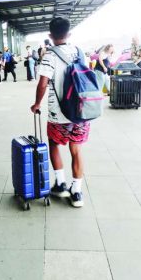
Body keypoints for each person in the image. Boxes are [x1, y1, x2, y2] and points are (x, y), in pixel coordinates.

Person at [30, 17, 89, 208]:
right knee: (76, 149)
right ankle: (77, 192)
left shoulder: (49, 56)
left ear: (50, 35)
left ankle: (61, 183)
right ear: (69, 34)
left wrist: (37, 104)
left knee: (54, 144)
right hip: (80, 111)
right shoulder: (80, 52)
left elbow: (42, 84)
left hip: (58, 113)